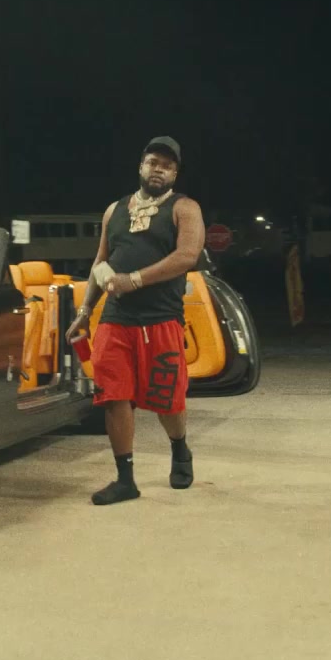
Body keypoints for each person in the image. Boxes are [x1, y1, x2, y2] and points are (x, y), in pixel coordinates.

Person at [65, 136, 206, 506]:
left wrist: (136, 279)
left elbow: (187, 256)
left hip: (161, 319)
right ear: (141, 166)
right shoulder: (114, 210)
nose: (159, 169)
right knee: (114, 396)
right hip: (116, 320)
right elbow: (100, 263)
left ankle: (179, 448)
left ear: (175, 174)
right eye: (153, 162)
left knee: (166, 400)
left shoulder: (184, 207)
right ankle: (125, 480)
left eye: (167, 165)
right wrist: (84, 313)